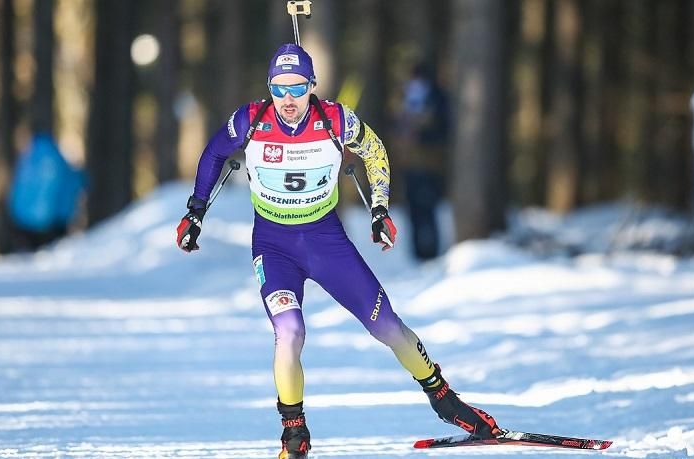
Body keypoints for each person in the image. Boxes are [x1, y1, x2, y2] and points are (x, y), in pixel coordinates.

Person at [176, 43, 500, 459]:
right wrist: (195, 211)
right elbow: (214, 153)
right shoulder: (250, 120)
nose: (288, 100)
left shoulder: (335, 119)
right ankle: (294, 433)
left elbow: (375, 150)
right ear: (269, 88)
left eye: (297, 88)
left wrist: (379, 208)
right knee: (289, 331)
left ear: (312, 86)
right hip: (274, 246)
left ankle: (444, 399)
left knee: (388, 327)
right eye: (279, 89)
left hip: (327, 242)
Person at [393, 63, 451, 260]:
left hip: (430, 165)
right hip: (410, 164)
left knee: (428, 208)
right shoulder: (405, 101)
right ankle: (417, 252)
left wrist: (422, 130)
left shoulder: (438, 99)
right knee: (413, 210)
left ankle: (431, 250)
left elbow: (442, 130)